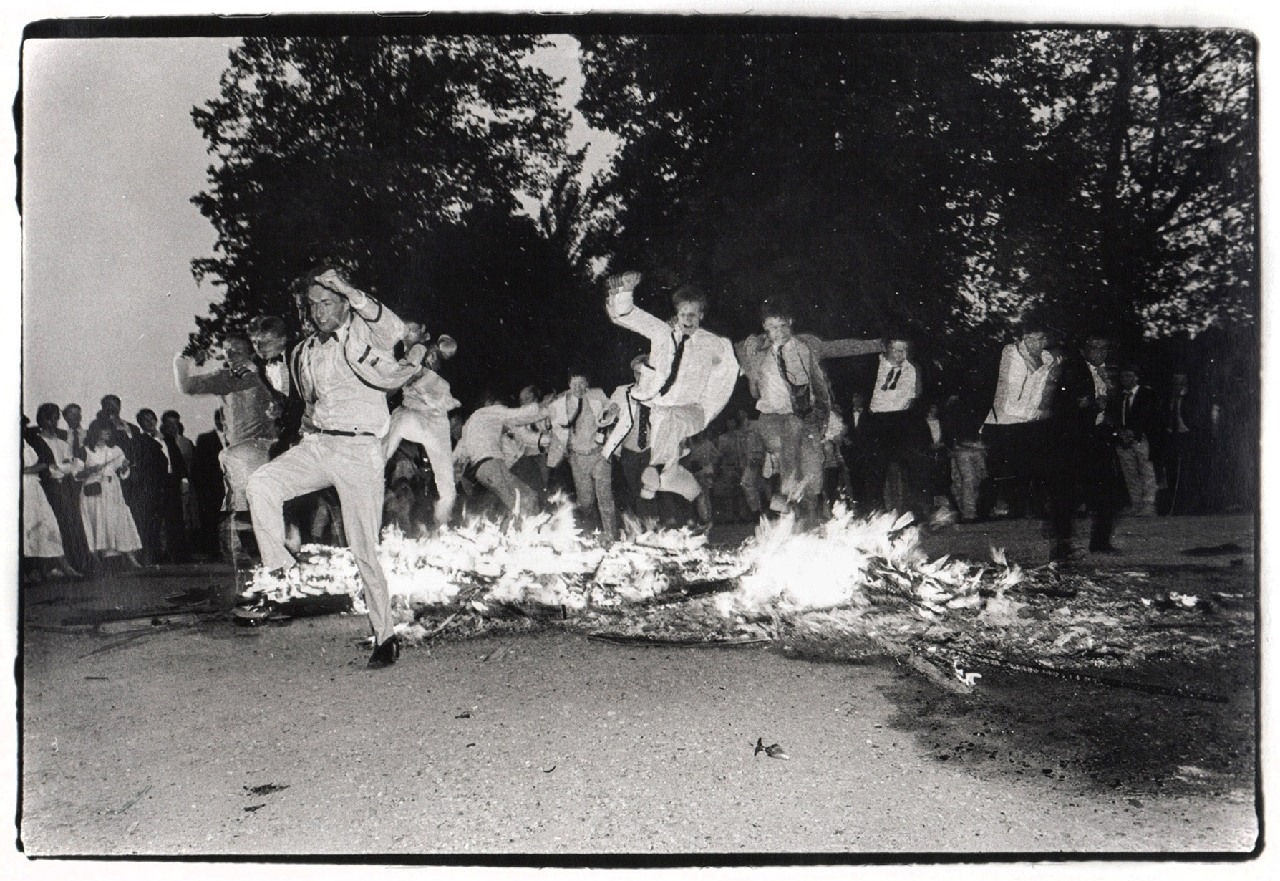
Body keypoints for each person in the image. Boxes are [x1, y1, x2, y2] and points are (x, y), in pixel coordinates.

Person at [246, 266, 423, 669]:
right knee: (262, 484)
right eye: (313, 305)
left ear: (343, 303)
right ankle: (281, 568)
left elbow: (393, 328)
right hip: (320, 444)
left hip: (360, 451)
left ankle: (386, 636)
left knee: (363, 549)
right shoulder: (306, 350)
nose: (320, 311)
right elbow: (302, 399)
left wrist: (347, 287)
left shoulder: (364, 333)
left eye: (328, 302)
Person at [736, 297, 882, 524]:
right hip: (773, 418)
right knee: (789, 443)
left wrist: (875, 345)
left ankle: (808, 522)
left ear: (791, 322)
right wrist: (749, 346)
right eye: (773, 327)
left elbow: (837, 347)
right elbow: (730, 354)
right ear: (765, 326)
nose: (779, 332)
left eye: (783, 326)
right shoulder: (757, 349)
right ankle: (785, 494)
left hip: (807, 419)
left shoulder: (807, 345)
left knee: (813, 480)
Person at [604, 272, 739, 508]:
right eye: (683, 314)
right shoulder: (663, 335)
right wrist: (625, 292)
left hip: (695, 411)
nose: (688, 319)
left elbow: (730, 366)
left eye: (693, 315)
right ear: (676, 315)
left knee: (672, 420)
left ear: (701, 316)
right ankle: (677, 483)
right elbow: (631, 316)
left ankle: (655, 468)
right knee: (670, 465)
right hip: (660, 413)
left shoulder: (712, 343)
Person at [175, 334, 280, 561]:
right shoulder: (256, 374)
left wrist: (184, 359)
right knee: (251, 506)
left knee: (248, 506)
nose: (231, 357)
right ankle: (257, 559)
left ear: (250, 352)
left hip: (256, 451)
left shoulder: (239, 377)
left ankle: (258, 559)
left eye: (236, 352)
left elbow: (187, 385)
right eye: (227, 352)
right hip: (254, 451)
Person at [1047, 335, 1125, 558]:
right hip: (1074, 440)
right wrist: (1092, 404)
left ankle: (1100, 542)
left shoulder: (1108, 372)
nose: (1100, 352)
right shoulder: (1072, 369)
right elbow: (1063, 404)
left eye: (1104, 348)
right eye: (1095, 347)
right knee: (1067, 494)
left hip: (1100, 438)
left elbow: (1115, 404)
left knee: (1108, 491)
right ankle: (1062, 544)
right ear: (1084, 350)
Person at [381, 322, 460, 527]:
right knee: (400, 417)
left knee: (446, 480)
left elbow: (448, 348)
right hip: (415, 416)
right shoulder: (400, 355)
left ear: (423, 333)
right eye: (405, 329)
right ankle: (375, 466)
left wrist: (443, 345)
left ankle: (443, 520)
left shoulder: (426, 349)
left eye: (412, 329)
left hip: (435, 418)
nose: (407, 332)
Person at [981, 322, 1059, 518]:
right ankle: (990, 510)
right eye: (1029, 339)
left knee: (1032, 467)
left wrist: (1039, 412)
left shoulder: (1049, 359)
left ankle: (1031, 509)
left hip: (1030, 420)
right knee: (1001, 470)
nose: (1035, 343)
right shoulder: (1010, 353)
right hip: (1004, 421)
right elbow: (1008, 390)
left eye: (1040, 338)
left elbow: (1042, 391)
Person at [545, 369, 618, 541]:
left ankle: (611, 536)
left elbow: (613, 409)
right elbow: (551, 425)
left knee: (605, 498)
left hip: (599, 455)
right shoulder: (559, 404)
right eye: (574, 383)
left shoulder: (597, 395)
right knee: (585, 501)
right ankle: (591, 533)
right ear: (569, 384)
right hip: (577, 458)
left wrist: (613, 411)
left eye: (582, 383)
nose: (578, 387)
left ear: (587, 384)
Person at [454, 390, 547, 518]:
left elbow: (459, 452)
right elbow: (521, 415)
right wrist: (542, 407)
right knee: (526, 501)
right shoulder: (490, 412)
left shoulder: (470, 424)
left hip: (482, 471)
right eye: (500, 406)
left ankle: (519, 530)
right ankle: (536, 529)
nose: (502, 409)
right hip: (493, 465)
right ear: (489, 403)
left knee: (520, 501)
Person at [865, 337, 927, 514]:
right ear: (886, 349)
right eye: (897, 350)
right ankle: (875, 513)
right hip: (877, 421)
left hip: (902, 420)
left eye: (904, 350)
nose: (901, 354)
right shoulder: (873, 365)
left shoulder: (912, 369)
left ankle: (916, 512)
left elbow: (915, 396)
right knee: (876, 470)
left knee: (912, 467)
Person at [34, 402, 93, 572]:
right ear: (42, 420)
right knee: (59, 524)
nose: (53, 423)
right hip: (50, 488)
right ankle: (59, 565)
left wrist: (61, 467)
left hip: (67, 487)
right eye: (50, 419)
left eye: (55, 419)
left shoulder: (62, 442)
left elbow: (70, 465)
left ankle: (81, 563)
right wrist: (60, 467)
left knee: (74, 523)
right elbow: (49, 467)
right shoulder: (37, 441)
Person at [77, 419, 143, 568]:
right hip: (94, 492)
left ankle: (130, 558)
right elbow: (76, 474)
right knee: (99, 522)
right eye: (104, 429)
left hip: (113, 490)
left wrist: (124, 467)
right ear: (95, 431)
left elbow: (122, 472)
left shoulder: (116, 450)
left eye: (109, 430)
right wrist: (89, 471)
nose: (108, 433)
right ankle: (100, 560)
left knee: (119, 520)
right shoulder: (85, 450)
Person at [601, 355, 660, 519]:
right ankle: (643, 530)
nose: (638, 377)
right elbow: (605, 414)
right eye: (635, 373)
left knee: (648, 491)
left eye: (642, 373)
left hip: (651, 451)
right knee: (634, 492)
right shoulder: (623, 391)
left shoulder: (661, 394)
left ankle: (650, 530)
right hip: (629, 451)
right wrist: (610, 411)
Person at [22, 431, 82, 582]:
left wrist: (27, 470)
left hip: (33, 487)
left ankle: (62, 565)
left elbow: (45, 461)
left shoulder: (29, 440)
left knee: (47, 524)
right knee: (24, 528)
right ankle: (28, 571)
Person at [1111, 365, 1160, 517]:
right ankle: (1136, 502)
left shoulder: (1147, 393)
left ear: (1136, 377)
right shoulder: (1119, 396)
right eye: (1123, 376)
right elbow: (1114, 415)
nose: (1126, 379)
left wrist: (1134, 432)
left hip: (1141, 438)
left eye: (1129, 376)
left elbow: (1149, 415)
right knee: (1129, 472)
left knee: (1146, 470)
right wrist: (1120, 433)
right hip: (1123, 440)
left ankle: (1149, 503)